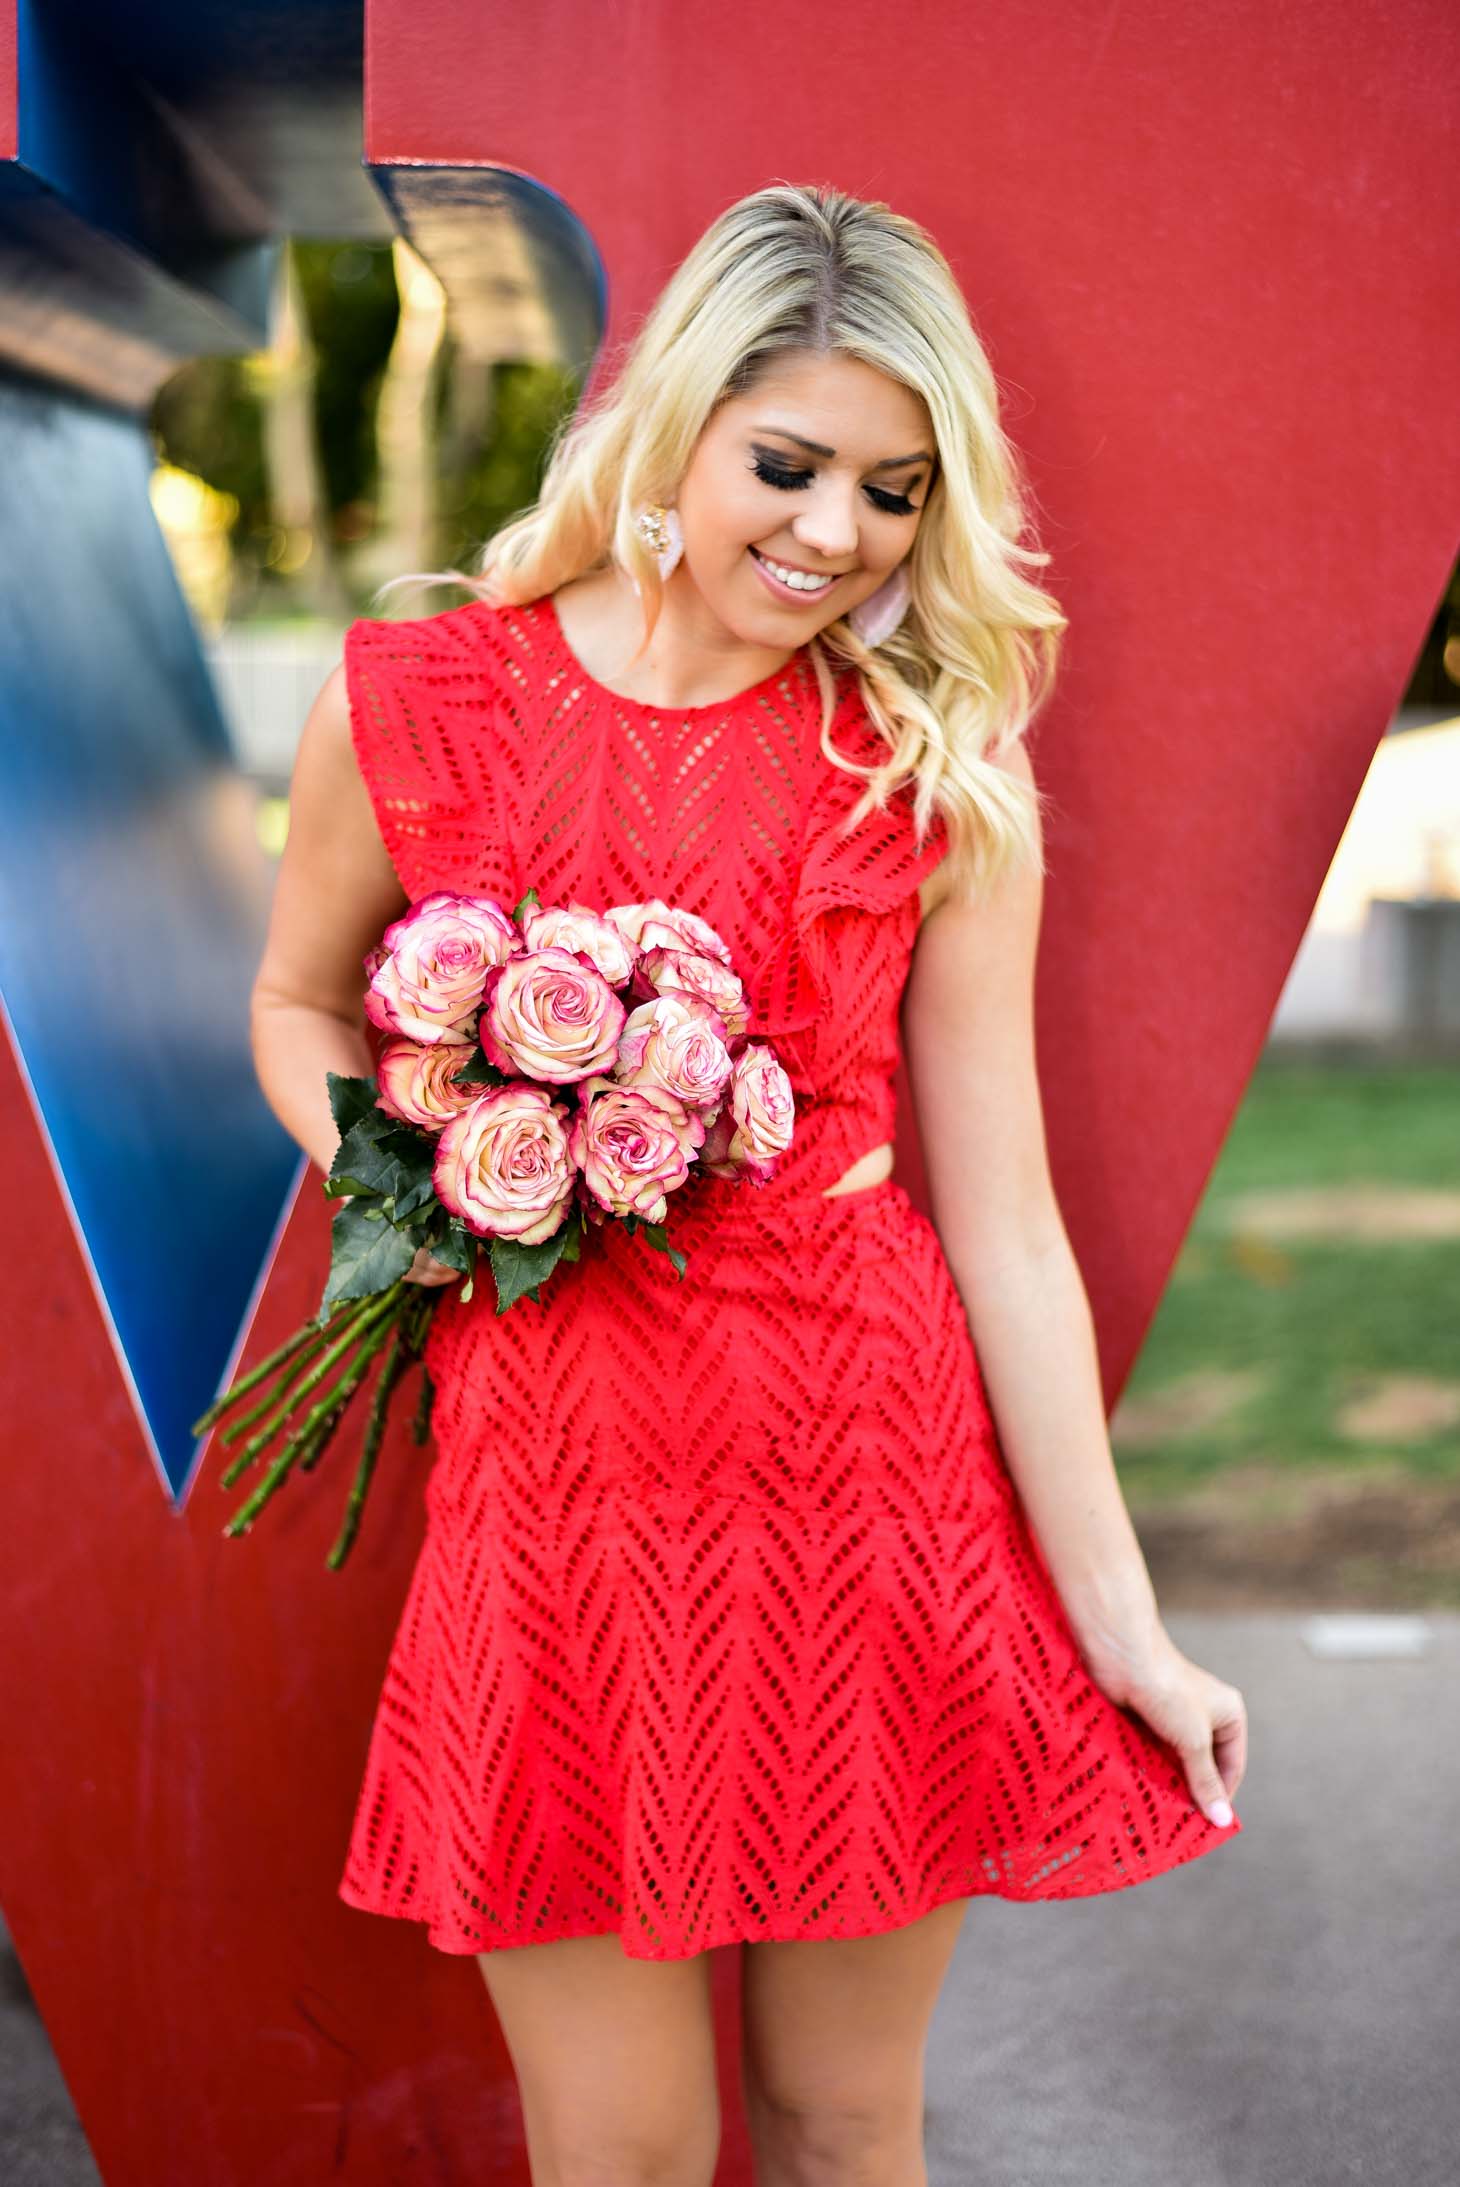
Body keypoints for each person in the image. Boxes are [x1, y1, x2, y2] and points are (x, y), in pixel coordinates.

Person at [250, 181, 1247, 2187]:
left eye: (893, 491)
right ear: (674, 424)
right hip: (557, 1506)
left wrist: (1124, 1618)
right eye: (785, 465)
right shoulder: (418, 696)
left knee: (837, 2117)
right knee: (617, 2148)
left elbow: (1006, 1227)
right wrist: (440, 1169)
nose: (833, 533)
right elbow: (295, 997)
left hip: (864, 1498)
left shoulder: (928, 761)